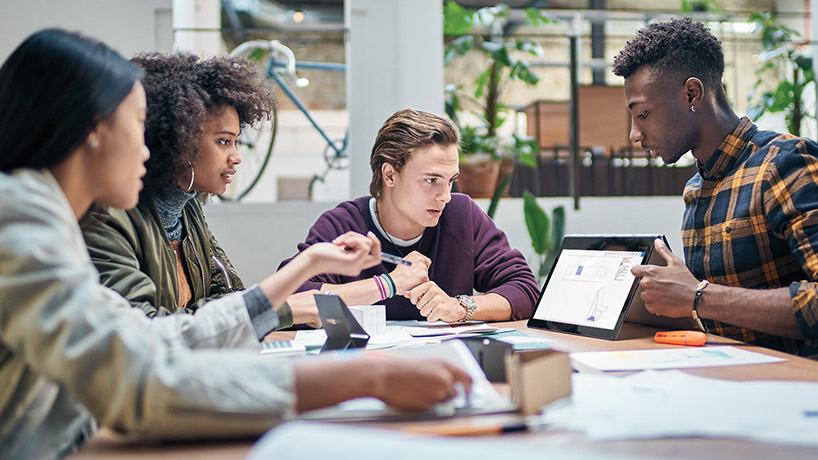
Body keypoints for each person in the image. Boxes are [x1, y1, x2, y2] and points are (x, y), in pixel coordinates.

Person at [0, 29, 470, 459]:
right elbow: (137, 379)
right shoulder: (21, 219)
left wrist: (305, 270)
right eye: (137, 123)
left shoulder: (45, 214)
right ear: (94, 131)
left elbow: (155, 341)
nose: (147, 146)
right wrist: (366, 379)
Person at [613, 18, 818, 358]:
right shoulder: (697, 188)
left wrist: (698, 296)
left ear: (692, 93)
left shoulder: (784, 164)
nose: (635, 135)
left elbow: (704, 297)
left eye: (644, 114)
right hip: (724, 380)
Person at [80, 52, 316, 330]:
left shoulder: (188, 208)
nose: (236, 156)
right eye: (224, 142)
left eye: (236, 142)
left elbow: (228, 296)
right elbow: (144, 327)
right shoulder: (109, 217)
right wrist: (281, 310)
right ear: (180, 140)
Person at [279, 108, 539, 323]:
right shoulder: (342, 225)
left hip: (444, 368)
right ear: (390, 174)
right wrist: (388, 284)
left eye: (451, 180)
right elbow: (288, 299)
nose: (445, 195)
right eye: (432, 180)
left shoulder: (462, 215)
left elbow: (524, 289)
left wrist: (460, 307)